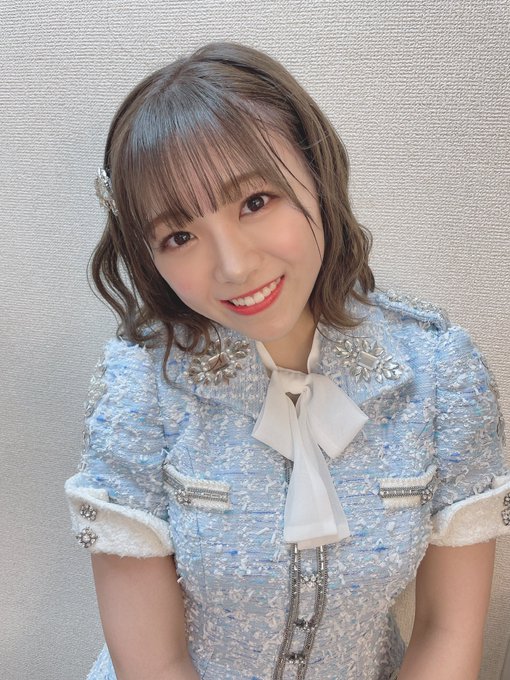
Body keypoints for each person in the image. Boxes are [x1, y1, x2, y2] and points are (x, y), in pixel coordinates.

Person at [65, 41, 510, 680]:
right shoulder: (139, 390)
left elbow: (446, 630)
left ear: (316, 174)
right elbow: (155, 661)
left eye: (254, 202)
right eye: (179, 236)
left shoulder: (440, 373)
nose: (233, 266)